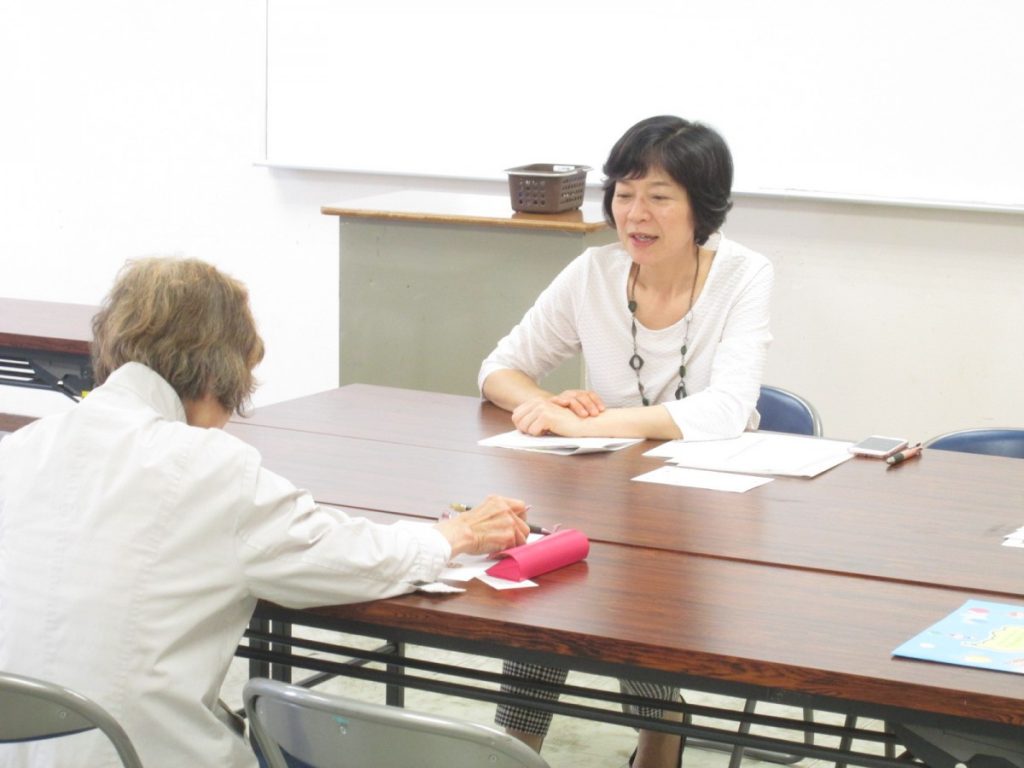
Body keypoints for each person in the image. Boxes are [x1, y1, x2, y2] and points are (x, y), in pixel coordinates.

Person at [0, 257, 529, 768]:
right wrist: (455, 535)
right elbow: (344, 557)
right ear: (220, 374)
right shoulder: (209, 467)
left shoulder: (19, 448)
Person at [479, 115, 774, 767]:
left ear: (703, 206)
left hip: (708, 503)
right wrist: (540, 403)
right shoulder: (594, 272)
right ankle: (518, 749)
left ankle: (659, 733)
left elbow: (728, 409)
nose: (635, 214)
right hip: (607, 489)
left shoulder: (743, 275)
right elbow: (499, 369)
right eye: (624, 193)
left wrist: (587, 425)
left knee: (636, 595)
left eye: (659, 196)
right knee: (549, 587)